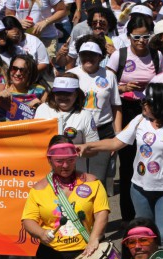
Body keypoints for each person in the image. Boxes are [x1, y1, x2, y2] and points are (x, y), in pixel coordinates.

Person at [80, 83, 163, 245]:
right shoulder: (139, 120)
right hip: (139, 189)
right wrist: (87, 146)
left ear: (160, 102)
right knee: (145, 233)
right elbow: (115, 143)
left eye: (147, 101)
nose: (142, 104)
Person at [106, 14, 162, 223]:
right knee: (128, 164)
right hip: (126, 110)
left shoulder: (156, 56)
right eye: (136, 37)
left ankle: (149, 213)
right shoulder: (119, 56)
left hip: (150, 112)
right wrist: (122, 88)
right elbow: (107, 85)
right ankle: (128, 217)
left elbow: (162, 84)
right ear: (128, 36)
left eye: (145, 37)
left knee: (150, 160)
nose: (141, 42)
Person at [69, 36, 121, 180]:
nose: (88, 58)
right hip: (76, 131)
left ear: (100, 56)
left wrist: (117, 135)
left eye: (93, 54)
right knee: (75, 176)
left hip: (103, 132)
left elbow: (116, 106)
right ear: (79, 55)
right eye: (84, 54)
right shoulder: (72, 75)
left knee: (98, 178)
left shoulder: (110, 75)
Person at [34, 74, 99, 147]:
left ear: (76, 94)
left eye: (68, 93)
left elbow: (93, 148)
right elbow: (34, 139)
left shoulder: (85, 115)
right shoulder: (42, 109)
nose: (63, 96)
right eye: (59, 93)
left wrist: (70, 150)